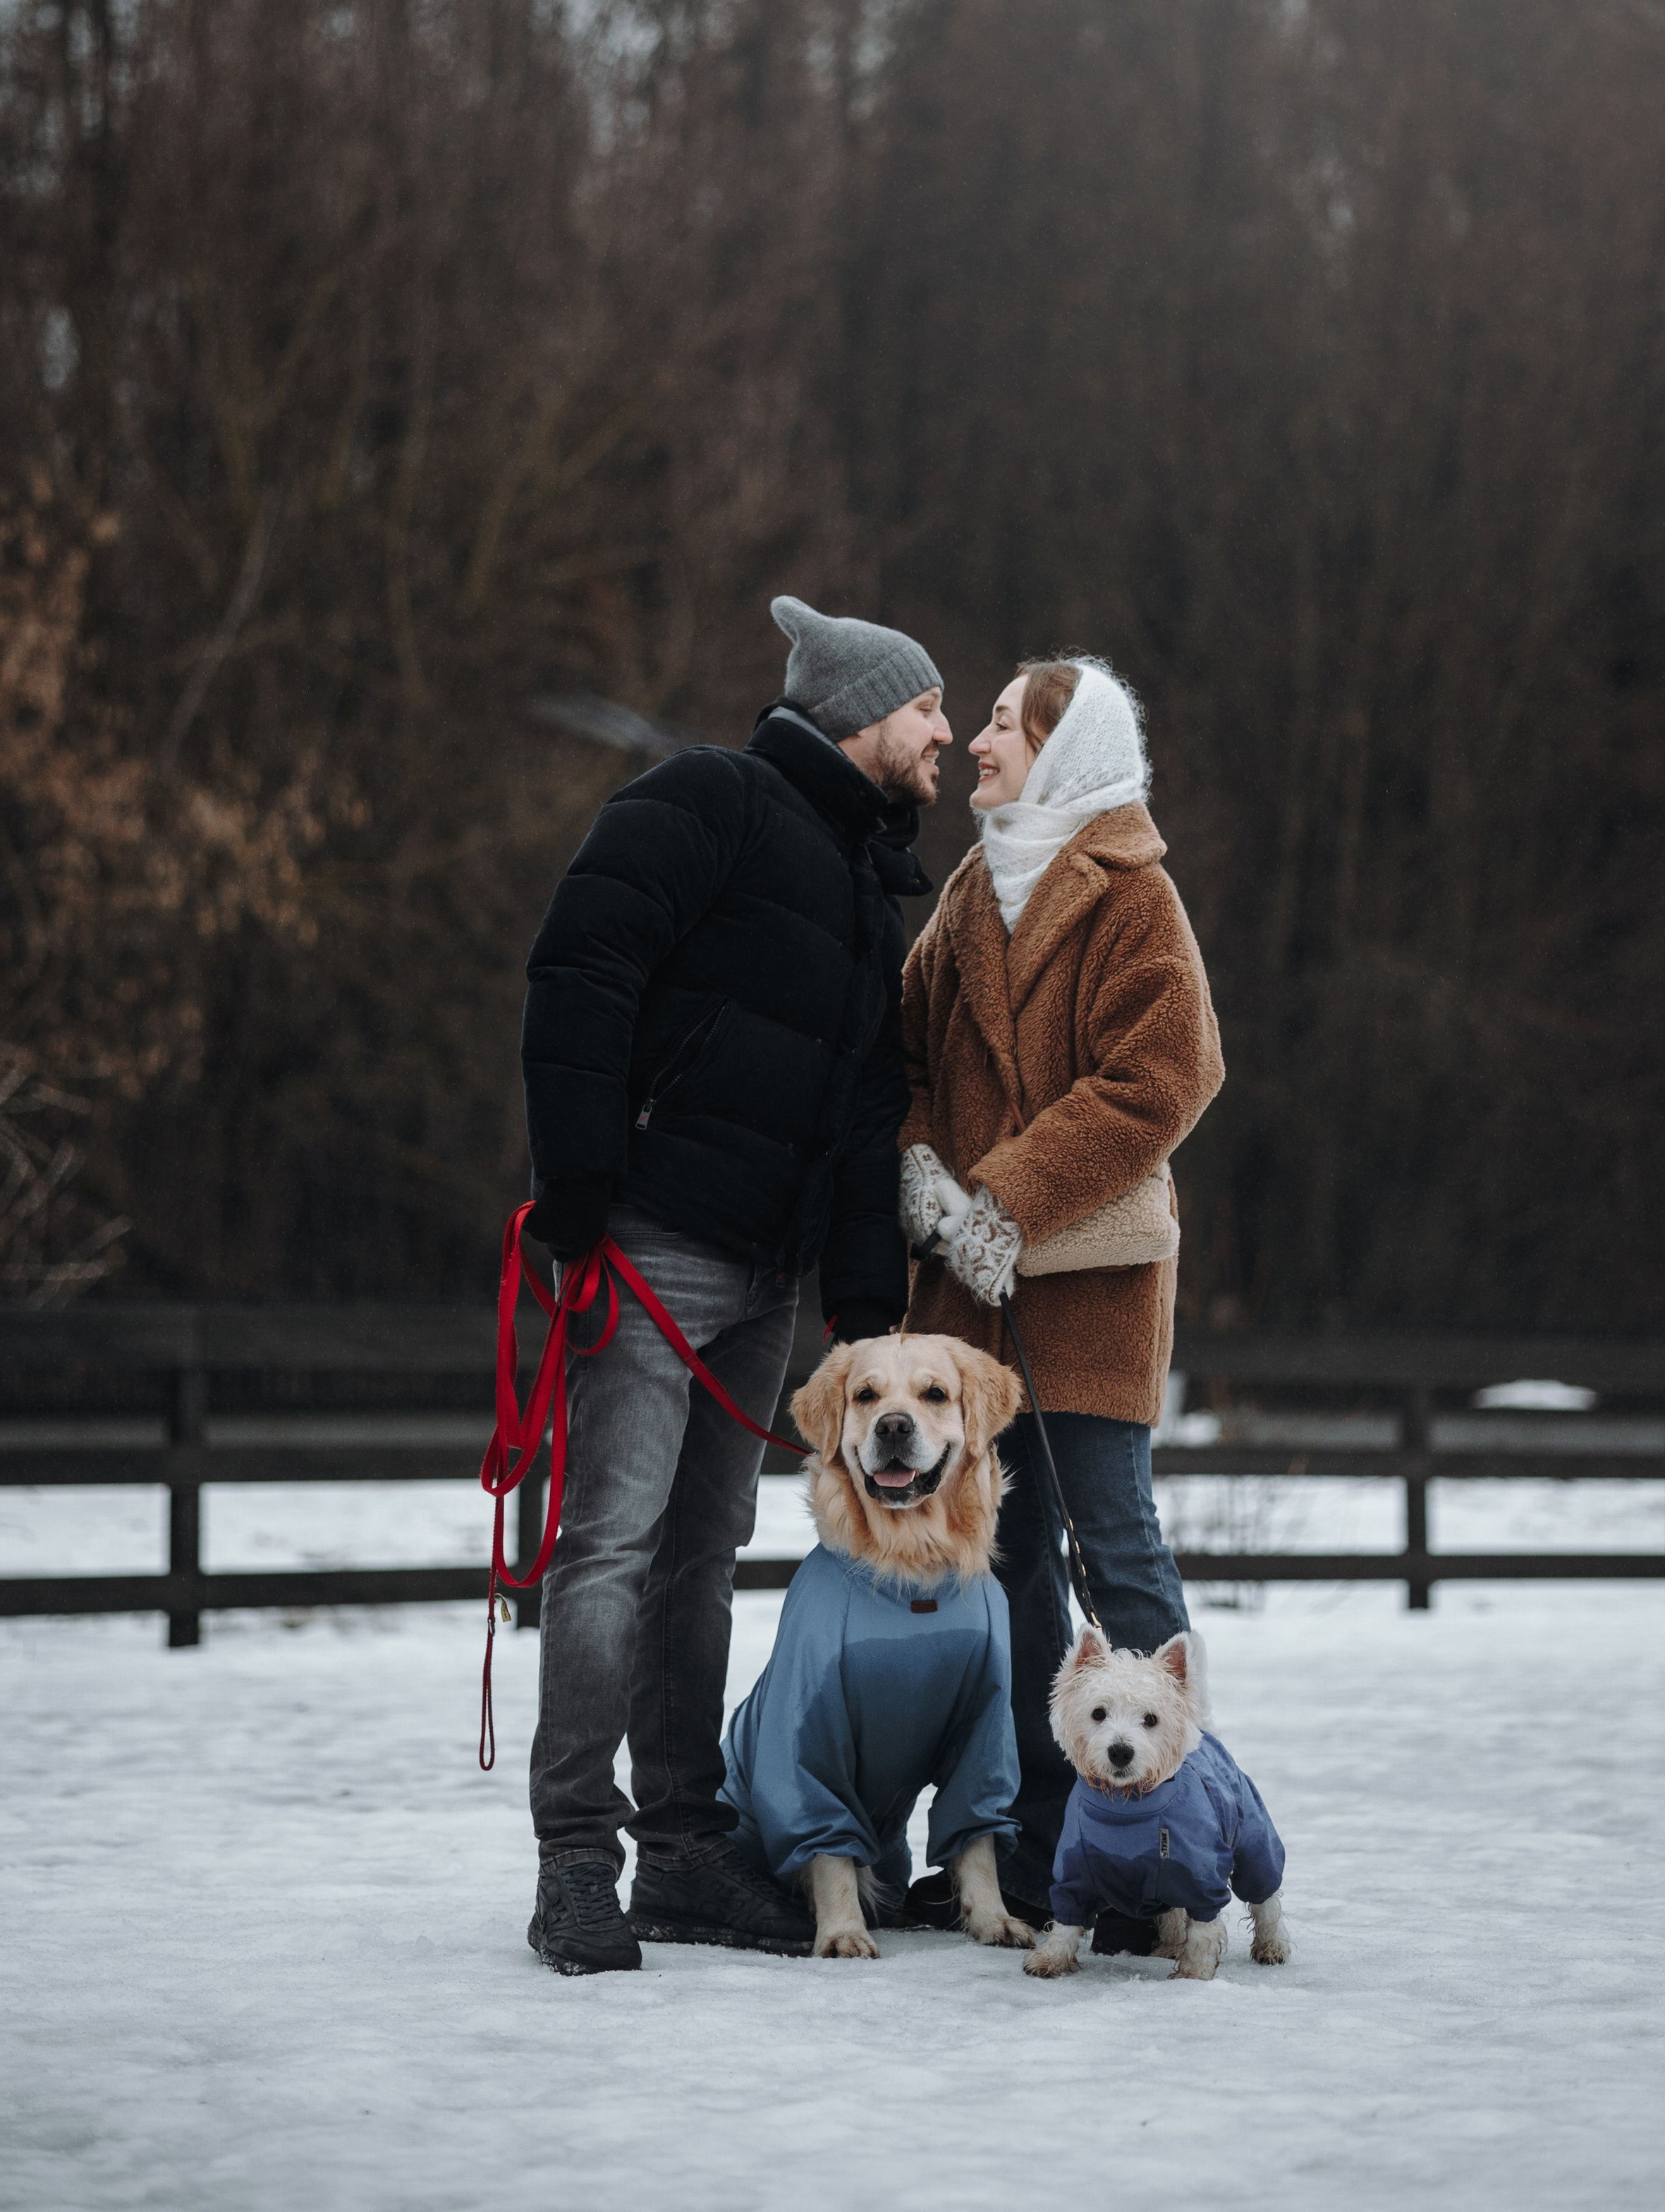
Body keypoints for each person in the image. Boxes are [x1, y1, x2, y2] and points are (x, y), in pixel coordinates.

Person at [518, 595, 951, 1975]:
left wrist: (863, 1308)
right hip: (652, 1243)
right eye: (927, 707)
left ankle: (683, 1851)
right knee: (608, 1548)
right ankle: (573, 1862)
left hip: (767, 1278)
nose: (946, 733)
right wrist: (580, 1181)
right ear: (860, 713)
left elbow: (864, 1115)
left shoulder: (872, 892)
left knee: (700, 1561)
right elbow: (582, 962)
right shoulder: (707, 798)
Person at [896, 654, 1225, 1935]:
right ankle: (1043, 1843)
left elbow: (1170, 1075)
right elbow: (907, 1056)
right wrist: (923, 1175)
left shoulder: (1135, 893)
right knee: (1013, 1566)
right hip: (973, 1305)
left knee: (1116, 1546)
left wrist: (1009, 1198)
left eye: (1001, 725)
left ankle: (1180, 1835)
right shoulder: (970, 889)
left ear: (1063, 747)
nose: (977, 743)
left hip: (1090, 1296)